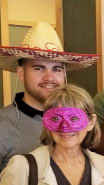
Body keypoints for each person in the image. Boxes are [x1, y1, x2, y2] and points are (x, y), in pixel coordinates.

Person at [0, 21, 97, 172]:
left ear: (64, 75)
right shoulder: (2, 125)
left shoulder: (79, 121)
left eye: (57, 69)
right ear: (21, 73)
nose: (49, 78)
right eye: (39, 68)